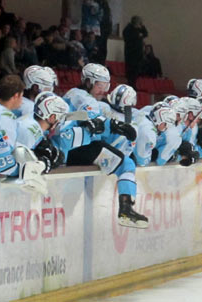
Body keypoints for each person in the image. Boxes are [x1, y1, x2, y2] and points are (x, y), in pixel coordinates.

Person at [55, 63, 147, 228]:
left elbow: (92, 123)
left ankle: (125, 208)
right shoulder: (81, 96)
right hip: (73, 148)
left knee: (124, 162)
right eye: (99, 85)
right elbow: (94, 121)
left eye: (106, 86)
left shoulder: (76, 95)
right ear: (88, 82)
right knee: (126, 164)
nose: (103, 90)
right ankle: (126, 208)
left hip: (69, 147)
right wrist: (117, 126)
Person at [0, 75, 47, 194]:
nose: (22, 100)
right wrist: (23, 170)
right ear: (16, 95)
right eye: (22, 96)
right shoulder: (3, 119)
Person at [133, 102, 178, 166]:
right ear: (159, 120)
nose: (166, 127)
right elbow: (142, 161)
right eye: (166, 124)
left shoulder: (143, 114)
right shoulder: (149, 133)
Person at [122, 16, 148, 86]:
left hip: (138, 54)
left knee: (136, 71)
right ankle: (130, 84)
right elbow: (130, 38)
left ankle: (134, 84)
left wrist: (142, 26)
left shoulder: (139, 29)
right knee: (131, 71)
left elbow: (145, 34)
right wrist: (139, 35)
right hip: (131, 54)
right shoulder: (128, 29)